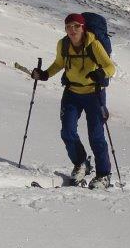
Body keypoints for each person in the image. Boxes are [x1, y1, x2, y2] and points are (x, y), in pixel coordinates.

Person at [31, 13, 116, 188]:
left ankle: (103, 175)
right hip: (72, 93)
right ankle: (81, 163)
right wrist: (45, 74)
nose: (72, 30)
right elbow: (59, 63)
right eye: (69, 26)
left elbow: (110, 67)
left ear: (83, 28)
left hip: (94, 94)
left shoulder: (93, 44)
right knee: (67, 132)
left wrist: (101, 73)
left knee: (96, 135)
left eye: (76, 26)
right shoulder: (63, 44)